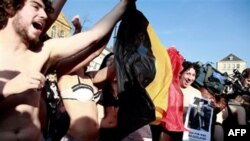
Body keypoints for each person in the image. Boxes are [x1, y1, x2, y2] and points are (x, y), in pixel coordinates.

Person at [0, 0, 132, 140]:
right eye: (35, 6)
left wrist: (124, 4)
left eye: (45, 9)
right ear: (10, 7)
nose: (44, 14)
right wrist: (6, 89)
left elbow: (93, 36)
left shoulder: (43, 52)